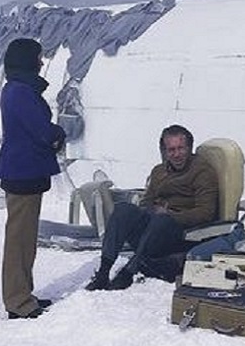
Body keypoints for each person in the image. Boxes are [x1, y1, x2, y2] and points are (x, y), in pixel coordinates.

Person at [86, 124, 219, 291]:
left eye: (181, 148)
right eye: (171, 150)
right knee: (123, 209)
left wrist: (170, 214)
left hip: (181, 233)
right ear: (164, 151)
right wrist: (150, 211)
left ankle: (129, 272)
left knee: (162, 220)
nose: (176, 154)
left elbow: (206, 213)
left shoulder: (202, 172)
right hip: (153, 230)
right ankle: (103, 273)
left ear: (189, 148)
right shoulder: (159, 171)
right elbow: (146, 202)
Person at [0, 38, 67, 320]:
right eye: (38, 57)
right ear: (26, 60)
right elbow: (40, 130)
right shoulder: (21, 91)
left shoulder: (16, 88)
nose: (40, 62)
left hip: (24, 171)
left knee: (24, 239)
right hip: (23, 171)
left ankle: (23, 293)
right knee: (19, 240)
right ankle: (18, 301)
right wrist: (57, 132)